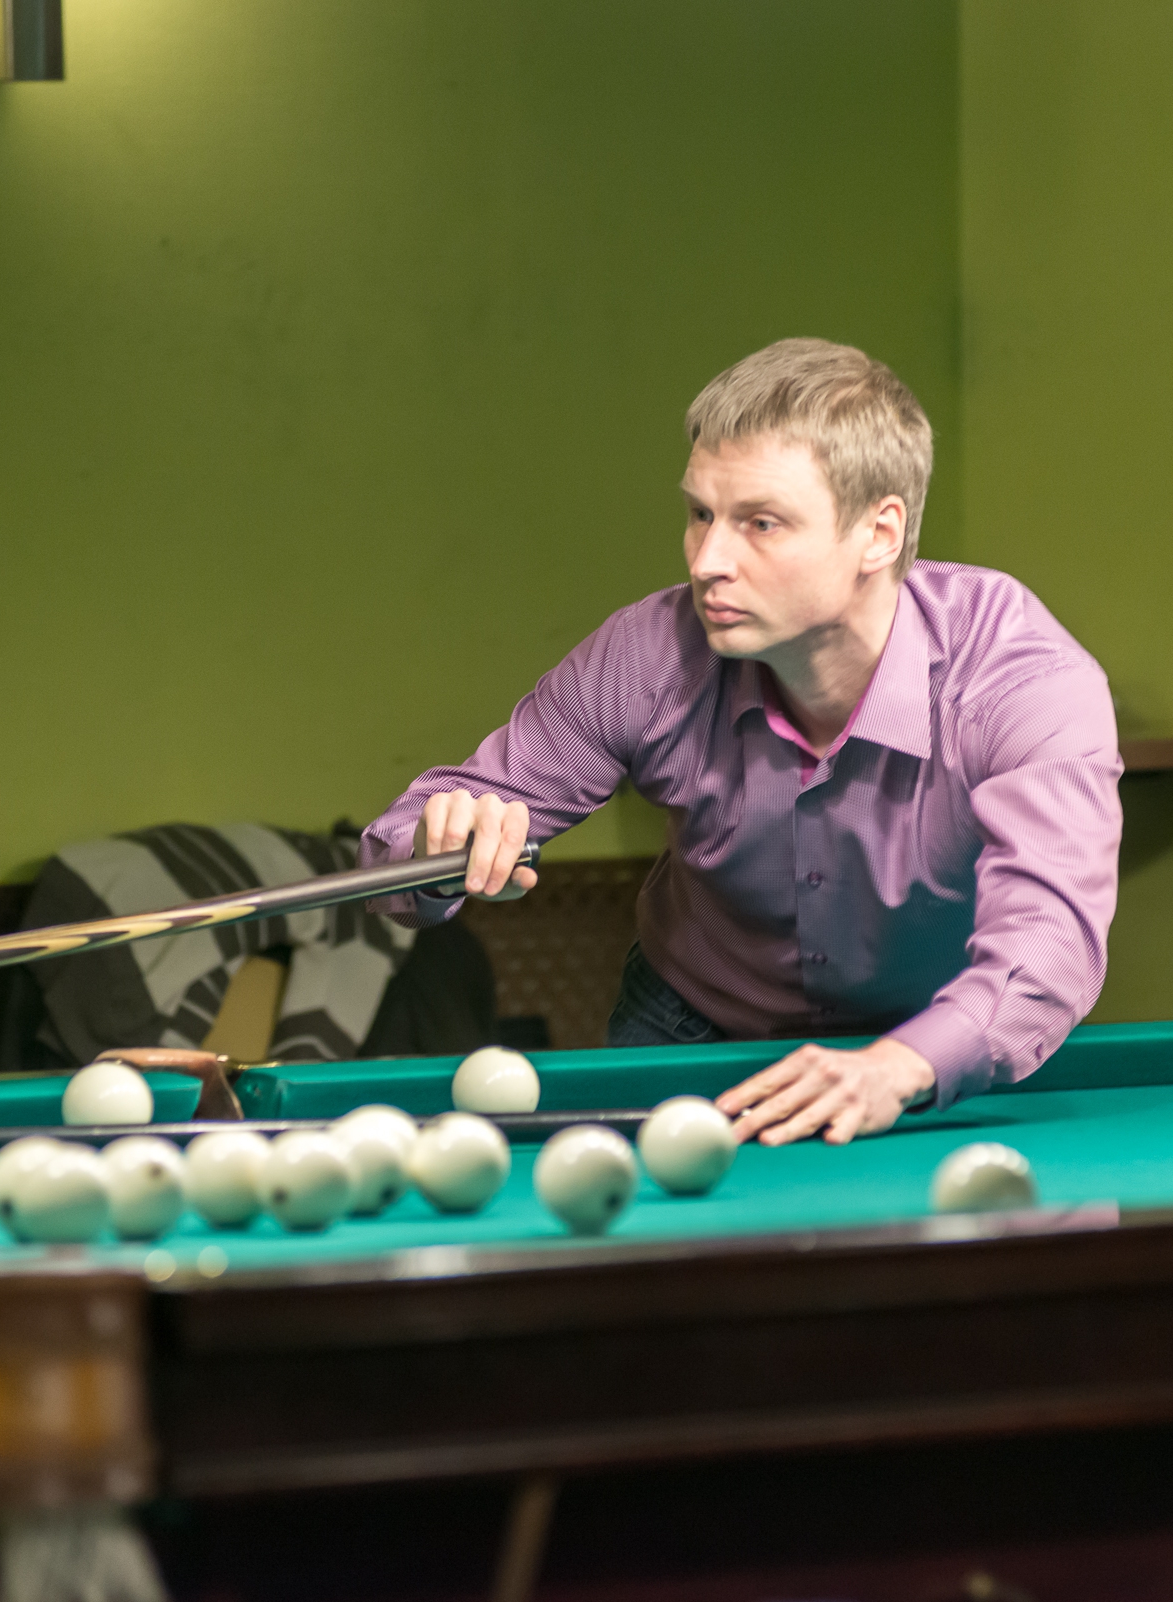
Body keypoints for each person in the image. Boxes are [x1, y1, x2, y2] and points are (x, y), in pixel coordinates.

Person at [360, 338, 1121, 1145]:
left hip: (929, 1047)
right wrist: (441, 849)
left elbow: (1050, 943)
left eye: (761, 523)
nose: (707, 561)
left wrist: (901, 1066)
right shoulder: (648, 655)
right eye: (700, 514)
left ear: (879, 533)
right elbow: (391, 859)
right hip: (687, 1028)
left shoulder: (1021, 682)